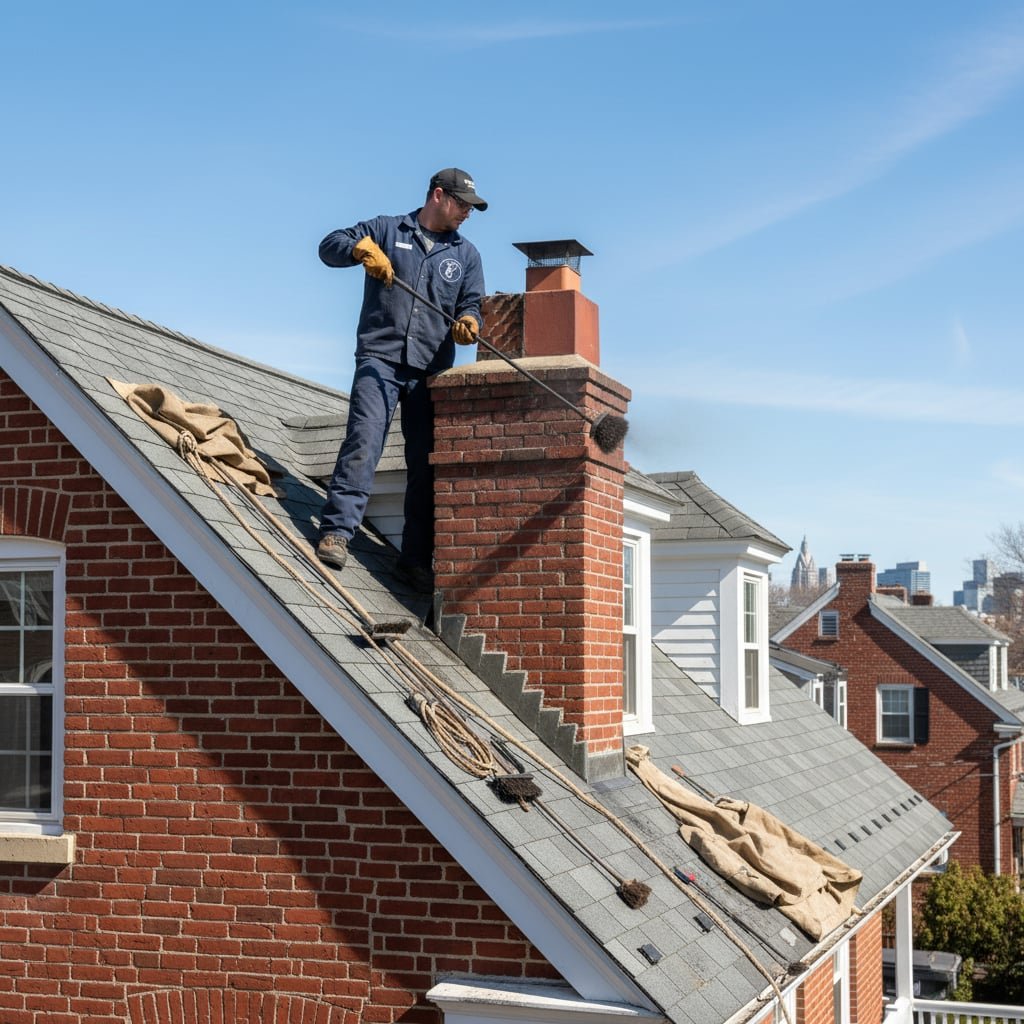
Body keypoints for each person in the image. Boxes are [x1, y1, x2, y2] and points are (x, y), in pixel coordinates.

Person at [315, 168, 487, 594]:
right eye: (462, 204)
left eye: (471, 207)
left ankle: (414, 561)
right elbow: (327, 246)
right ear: (438, 196)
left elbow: (472, 303)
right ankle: (337, 531)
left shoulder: (466, 256)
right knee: (365, 439)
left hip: (430, 371)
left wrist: (469, 320)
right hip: (380, 359)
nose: (467, 213)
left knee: (425, 465)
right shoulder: (386, 230)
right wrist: (359, 250)